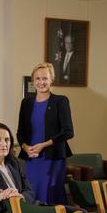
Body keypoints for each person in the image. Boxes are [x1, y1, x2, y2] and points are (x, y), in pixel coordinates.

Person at [17, 62, 74, 205]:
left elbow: (68, 132)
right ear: (33, 80)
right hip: (32, 159)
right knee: (32, 194)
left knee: (50, 195)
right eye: (37, 79)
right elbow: (20, 132)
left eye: (45, 78)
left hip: (52, 158)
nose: (41, 82)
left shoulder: (60, 101)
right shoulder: (26, 102)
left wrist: (44, 145)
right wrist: (25, 147)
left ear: (51, 80)